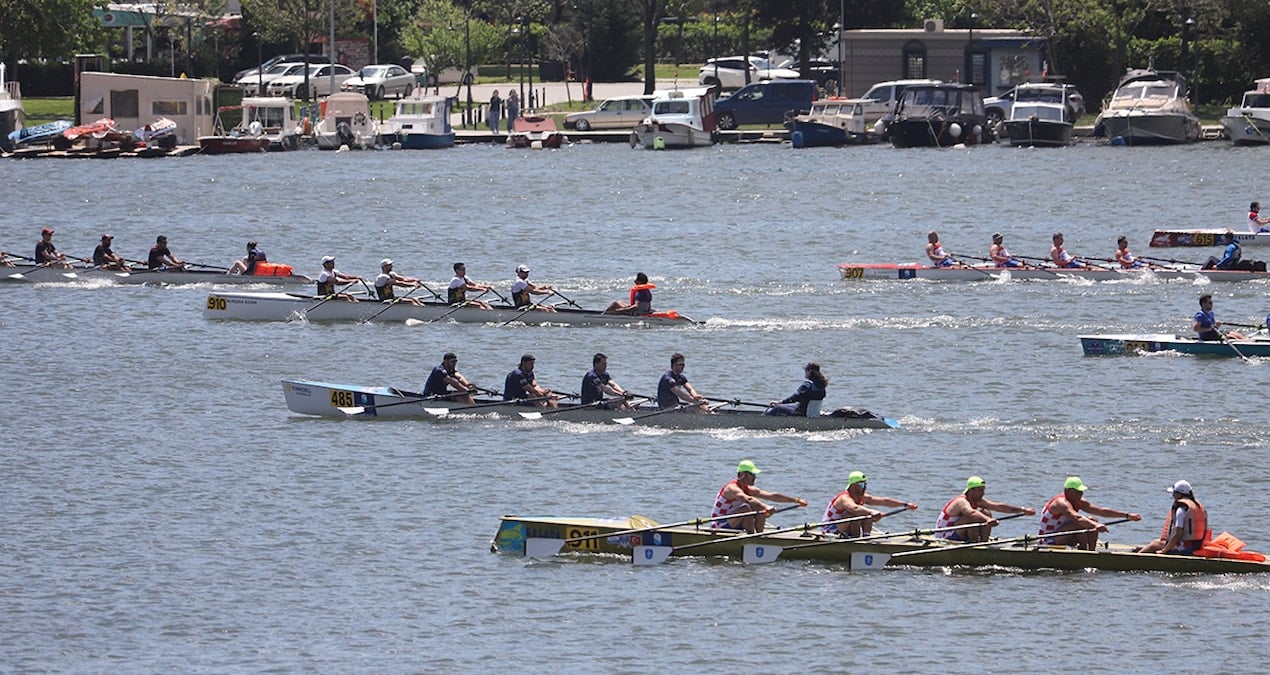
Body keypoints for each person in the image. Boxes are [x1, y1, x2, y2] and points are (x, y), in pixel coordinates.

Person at [1037, 476, 1141, 550]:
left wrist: (1127, 515)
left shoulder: (1078, 501)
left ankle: (1091, 552)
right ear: (1068, 491)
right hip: (1049, 539)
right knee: (1083, 524)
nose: (1081, 493)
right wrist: (1096, 525)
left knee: (1092, 519)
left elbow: (1101, 511)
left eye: (1081, 491)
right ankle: (1085, 553)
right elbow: (1077, 518)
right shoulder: (1061, 503)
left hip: (1065, 535)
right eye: (1078, 491)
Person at [708, 460, 807, 533]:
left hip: (734, 522)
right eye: (752, 474)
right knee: (746, 508)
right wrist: (766, 507)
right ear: (743, 475)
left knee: (758, 508)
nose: (755, 477)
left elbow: (772, 496)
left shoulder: (748, 489)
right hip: (720, 524)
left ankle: (759, 535)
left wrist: (796, 500)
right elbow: (748, 499)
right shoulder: (731, 488)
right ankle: (752, 537)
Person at [934, 476, 1035, 543]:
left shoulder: (977, 500)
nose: (983, 493)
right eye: (980, 490)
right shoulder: (961, 501)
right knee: (972, 517)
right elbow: (971, 513)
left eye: (983, 490)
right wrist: (987, 520)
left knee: (986, 512)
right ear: (971, 490)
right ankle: (975, 544)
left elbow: (998, 506)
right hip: (945, 535)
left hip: (959, 533)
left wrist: (1023, 510)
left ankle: (983, 543)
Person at [821, 471, 917, 538]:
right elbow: (855, 508)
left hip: (844, 528)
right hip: (831, 529)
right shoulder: (844, 498)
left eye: (865, 484)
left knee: (866, 515)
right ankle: (856, 540)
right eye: (862, 485)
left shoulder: (861, 497)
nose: (865, 487)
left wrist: (905, 504)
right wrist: (872, 512)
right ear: (853, 486)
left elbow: (884, 501)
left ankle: (866, 537)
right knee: (858, 513)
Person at [1138, 480, 1210, 554]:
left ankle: (1137, 556)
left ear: (1179, 494)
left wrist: (1164, 550)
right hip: (1196, 545)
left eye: (1174, 493)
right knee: (1156, 542)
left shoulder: (1181, 509)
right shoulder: (1196, 506)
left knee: (1155, 544)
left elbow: (1178, 533)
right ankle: (1139, 552)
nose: (1173, 495)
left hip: (1186, 547)